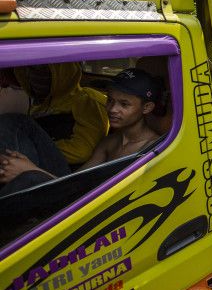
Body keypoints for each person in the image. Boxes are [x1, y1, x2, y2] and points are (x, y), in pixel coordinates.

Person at [0, 68, 163, 194]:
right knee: (16, 122)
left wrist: (30, 171)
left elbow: (96, 199)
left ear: (147, 107)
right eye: (110, 100)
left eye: (124, 104)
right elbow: (74, 182)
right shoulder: (111, 142)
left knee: (26, 178)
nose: (113, 109)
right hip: (75, 192)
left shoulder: (151, 149)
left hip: (89, 213)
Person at [12, 62, 108, 166]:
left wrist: (29, 153)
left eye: (42, 73)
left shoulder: (87, 100)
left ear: (62, 74)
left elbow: (81, 151)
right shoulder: (39, 106)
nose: (34, 78)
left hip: (64, 171)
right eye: (30, 71)